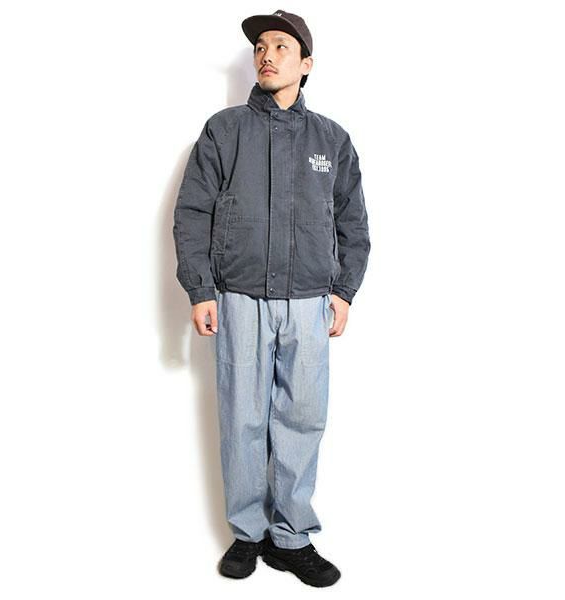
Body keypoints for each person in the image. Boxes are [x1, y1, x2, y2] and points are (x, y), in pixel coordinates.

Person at [172, 9, 371, 587]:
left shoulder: (331, 139)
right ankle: (248, 533)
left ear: (306, 64)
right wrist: (200, 289)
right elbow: (193, 212)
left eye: (281, 46)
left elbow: (353, 222)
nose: (267, 55)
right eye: (261, 46)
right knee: (242, 417)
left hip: (310, 300)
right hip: (239, 297)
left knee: (301, 419)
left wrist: (344, 291)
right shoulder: (225, 130)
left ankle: (291, 537)